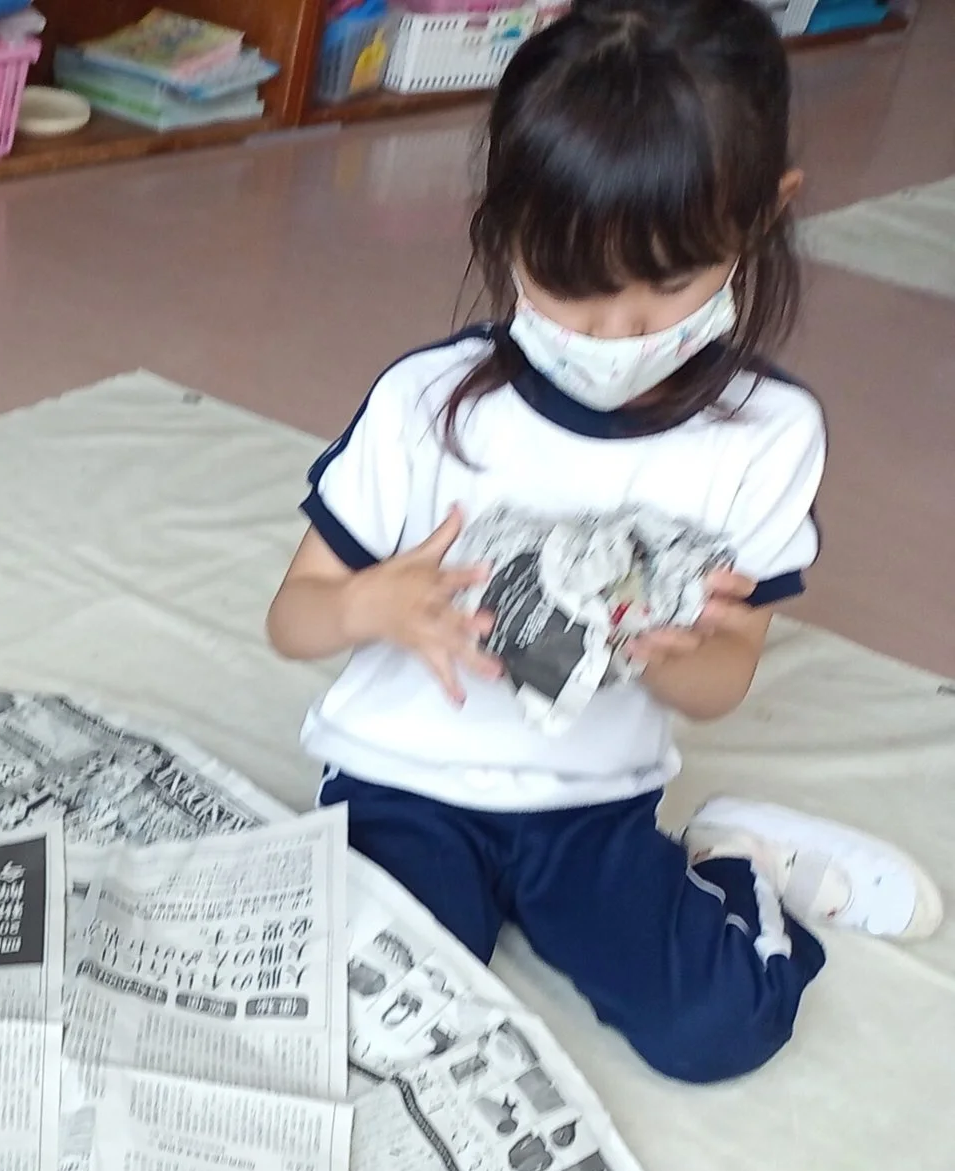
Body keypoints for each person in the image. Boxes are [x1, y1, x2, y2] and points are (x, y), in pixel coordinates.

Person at [266, 0, 939, 1085]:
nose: (615, 332)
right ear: (504, 224)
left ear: (764, 214)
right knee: (363, 1032)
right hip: (403, 790)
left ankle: (735, 861)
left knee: (716, 1033)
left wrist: (676, 656)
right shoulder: (430, 405)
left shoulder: (765, 436)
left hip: (590, 806)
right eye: (570, 286)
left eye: (668, 285)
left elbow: (726, 678)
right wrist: (366, 606)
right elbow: (292, 616)